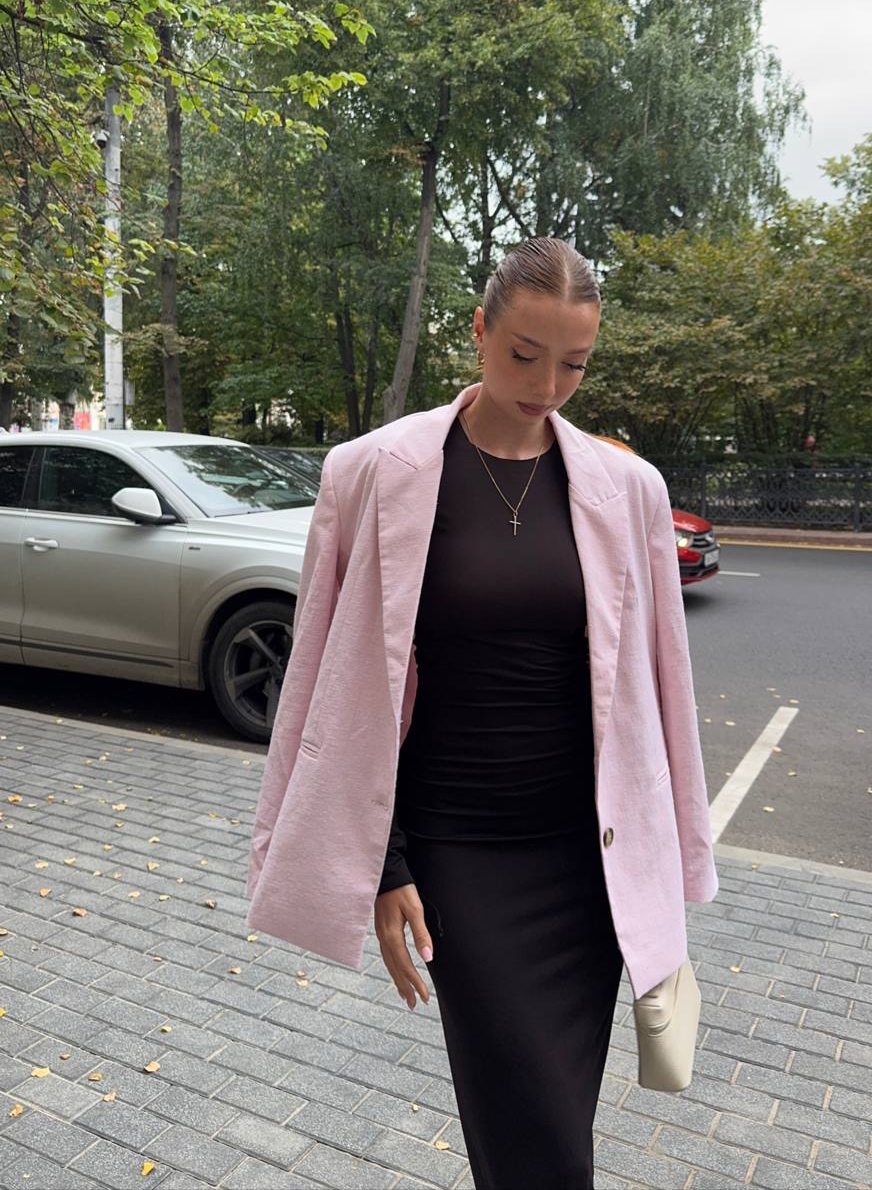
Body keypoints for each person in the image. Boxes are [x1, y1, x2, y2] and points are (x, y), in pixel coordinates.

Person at [245, 236, 718, 1190]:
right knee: (537, 1137)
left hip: (588, 863)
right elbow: (332, 686)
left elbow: (661, 687)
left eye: (574, 364)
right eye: (524, 356)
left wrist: (672, 851)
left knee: (548, 1132)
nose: (547, 386)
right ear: (479, 330)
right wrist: (385, 863)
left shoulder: (628, 489)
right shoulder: (374, 472)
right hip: (458, 854)